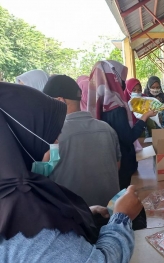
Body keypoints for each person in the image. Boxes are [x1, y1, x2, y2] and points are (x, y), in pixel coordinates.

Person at [0, 82, 143, 263]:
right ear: (25, 144)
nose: (57, 143)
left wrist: (82, 215)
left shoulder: (16, 195)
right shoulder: (25, 218)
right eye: (52, 137)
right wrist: (122, 218)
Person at [43, 75, 121, 207]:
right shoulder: (107, 129)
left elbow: (41, 176)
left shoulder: (53, 135)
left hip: (76, 217)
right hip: (111, 212)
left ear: (60, 101)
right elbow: (117, 165)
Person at [88, 61, 156, 190]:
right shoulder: (116, 106)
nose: (122, 81)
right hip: (123, 162)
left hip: (109, 158)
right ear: (114, 77)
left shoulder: (100, 104)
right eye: (121, 77)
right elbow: (128, 137)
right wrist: (145, 116)